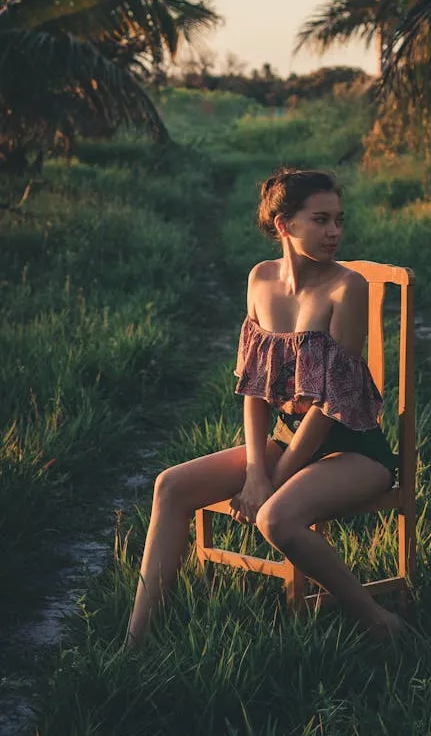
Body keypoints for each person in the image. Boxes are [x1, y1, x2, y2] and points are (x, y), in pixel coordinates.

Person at [126, 168, 403, 648]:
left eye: (339, 220)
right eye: (320, 220)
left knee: (276, 518)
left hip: (355, 453)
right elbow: (253, 389)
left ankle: (377, 620)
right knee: (170, 485)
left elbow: (332, 403)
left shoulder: (347, 287)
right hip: (292, 446)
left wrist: (275, 478)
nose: (334, 232)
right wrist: (257, 470)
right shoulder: (261, 280)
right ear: (283, 225)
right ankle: (138, 641)